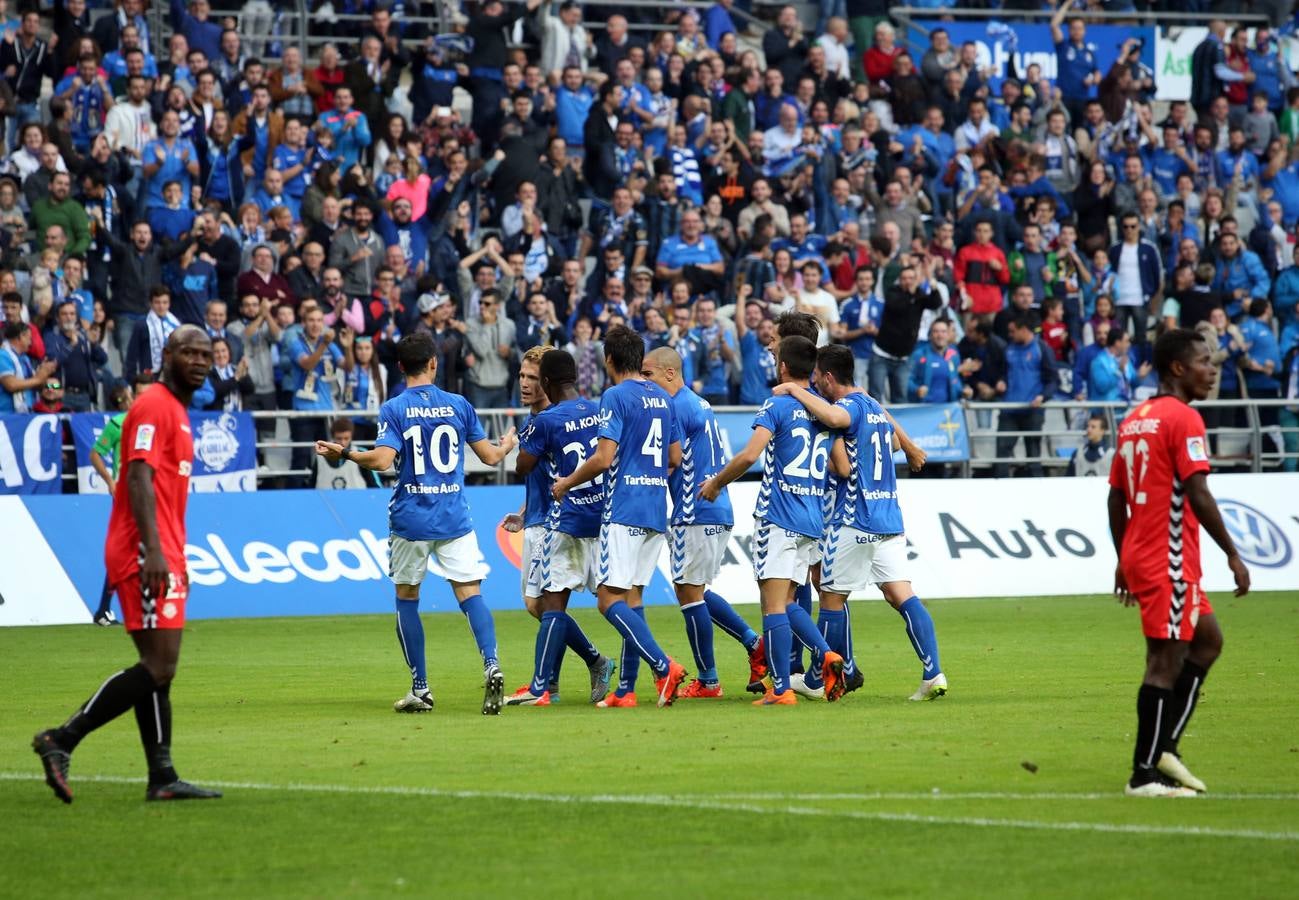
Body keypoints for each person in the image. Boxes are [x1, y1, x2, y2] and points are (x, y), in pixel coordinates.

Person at [33, 325, 221, 804]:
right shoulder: (154, 406)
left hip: (164, 550)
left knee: (157, 668)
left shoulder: (177, 411)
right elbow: (136, 477)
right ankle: (62, 738)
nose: (200, 361)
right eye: (190, 352)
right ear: (168, 354)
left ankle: (162, 775)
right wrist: (155, 550)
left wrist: (174, 554)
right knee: (159, 665)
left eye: (206, 354)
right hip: (144, 549)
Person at [314, 332, 518, 715]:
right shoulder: (458, 404)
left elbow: (379, 460)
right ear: (434, 364)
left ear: (400, 367)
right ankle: (491, 663)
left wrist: (344, 450)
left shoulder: (394, 408)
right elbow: (491, 457)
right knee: (470, 593)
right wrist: (506, 445)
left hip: (411, 518)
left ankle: (421, 689)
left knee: (407, 598)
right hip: (454, 516)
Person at [1108, 328, 1251, 797]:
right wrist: (1232, 551)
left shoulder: (1136, 418)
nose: (1212, 370)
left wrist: (1122, 556)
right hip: (1167, 559)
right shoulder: (1183, 418)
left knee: (1207, 640)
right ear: (1178, 369)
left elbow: (1115, 497)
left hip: (1145, 553)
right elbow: (1198, 492)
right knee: (1163, 664)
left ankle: (1165, 747)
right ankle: (1144, 773)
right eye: (1204, 361)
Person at [775, 344, 947, 701]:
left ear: (827, 377)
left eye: (818, 380)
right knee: (902, 595)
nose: (815, 386)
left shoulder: (846, 408)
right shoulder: (874, 408)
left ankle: (815, 677)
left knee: (831, 599)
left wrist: (793, 389)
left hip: (855, 519)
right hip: (889, 518)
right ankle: (933, 673)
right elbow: (896, 445)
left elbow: (839, 434)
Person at [699, 335, 846, 706]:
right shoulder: (824, 408)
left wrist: (716, 482)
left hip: (779, 516)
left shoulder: (776, 404)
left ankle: (780, 689)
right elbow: (841, 466)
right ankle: (826, 653)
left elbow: (750, 455)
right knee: (791, 600)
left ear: (782, 367)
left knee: (772, 604)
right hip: (813, 518)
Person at [551, 325, 688, 708]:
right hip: (656, 509)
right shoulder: (663, 398)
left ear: (608, 360)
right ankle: (627, 690)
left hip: (624, 508)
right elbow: (675, 458)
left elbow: (603, 458)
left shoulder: (614, 395)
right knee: (633, 598)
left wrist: (566, 483)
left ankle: (663, 666)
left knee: (608, 599)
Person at [641, 346, 768, 698]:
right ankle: (754, 645)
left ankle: (709, 680)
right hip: (715, 507)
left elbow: (671, 459)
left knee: (688, 592)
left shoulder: (673, 406)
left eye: (647, 374)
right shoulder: (699, 403)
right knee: (695, 589)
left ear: (669, 373)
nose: (644, 381)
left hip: (693, 509)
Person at [506, 348, 616, 706]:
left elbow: (530, 467)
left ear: (547, 382)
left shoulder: (542, 422)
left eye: (533, 378)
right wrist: (524, 511)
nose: (525, 383)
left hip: (558, 520)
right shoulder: (589, 411)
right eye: (522, 376)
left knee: (541, 604)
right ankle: (554, 681)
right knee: (545, 604)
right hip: (552, 515)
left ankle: (581, 667)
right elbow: (546, 476)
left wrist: (512, 445)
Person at [89, 378, 148, 626]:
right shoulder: (117, 424)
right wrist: (110, 482)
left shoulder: (153, 423)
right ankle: (107, 609)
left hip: (148, 492)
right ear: (131, 397)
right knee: (130, 550)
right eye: (139, 394)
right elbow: (95, 454)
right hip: (126, 494)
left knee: (142, 550)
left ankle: (108, 609)